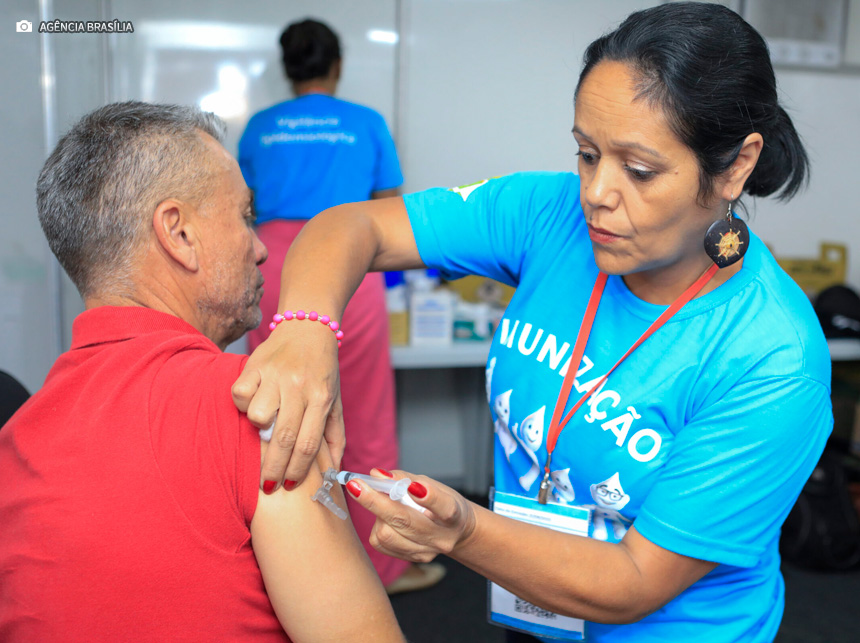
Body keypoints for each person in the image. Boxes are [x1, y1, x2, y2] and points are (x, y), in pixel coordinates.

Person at [233, 3, 834, 641]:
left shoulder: (773, 357)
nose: (597, 192)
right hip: (535, 610)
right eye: (586, 153)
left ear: (736, 166)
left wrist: (463, 528)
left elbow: (634, 581)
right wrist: (303, 329)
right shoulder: (548, 215)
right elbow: (349, 226)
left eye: (638, 170)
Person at [0, 101, 403, 642]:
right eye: (244, 216)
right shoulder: (252, 404)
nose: (262, 249)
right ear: (179, 234)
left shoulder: (18, 435)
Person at [237, 18, 442, 593]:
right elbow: (390, 213)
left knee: (276, 413)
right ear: (337, 65)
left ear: (289, 67)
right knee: (366, 414)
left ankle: (283, 570)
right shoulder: (365, 123)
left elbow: (242, 207)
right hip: (347, 266)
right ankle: (383, 569)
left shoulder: (259, 128)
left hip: (273, 268)